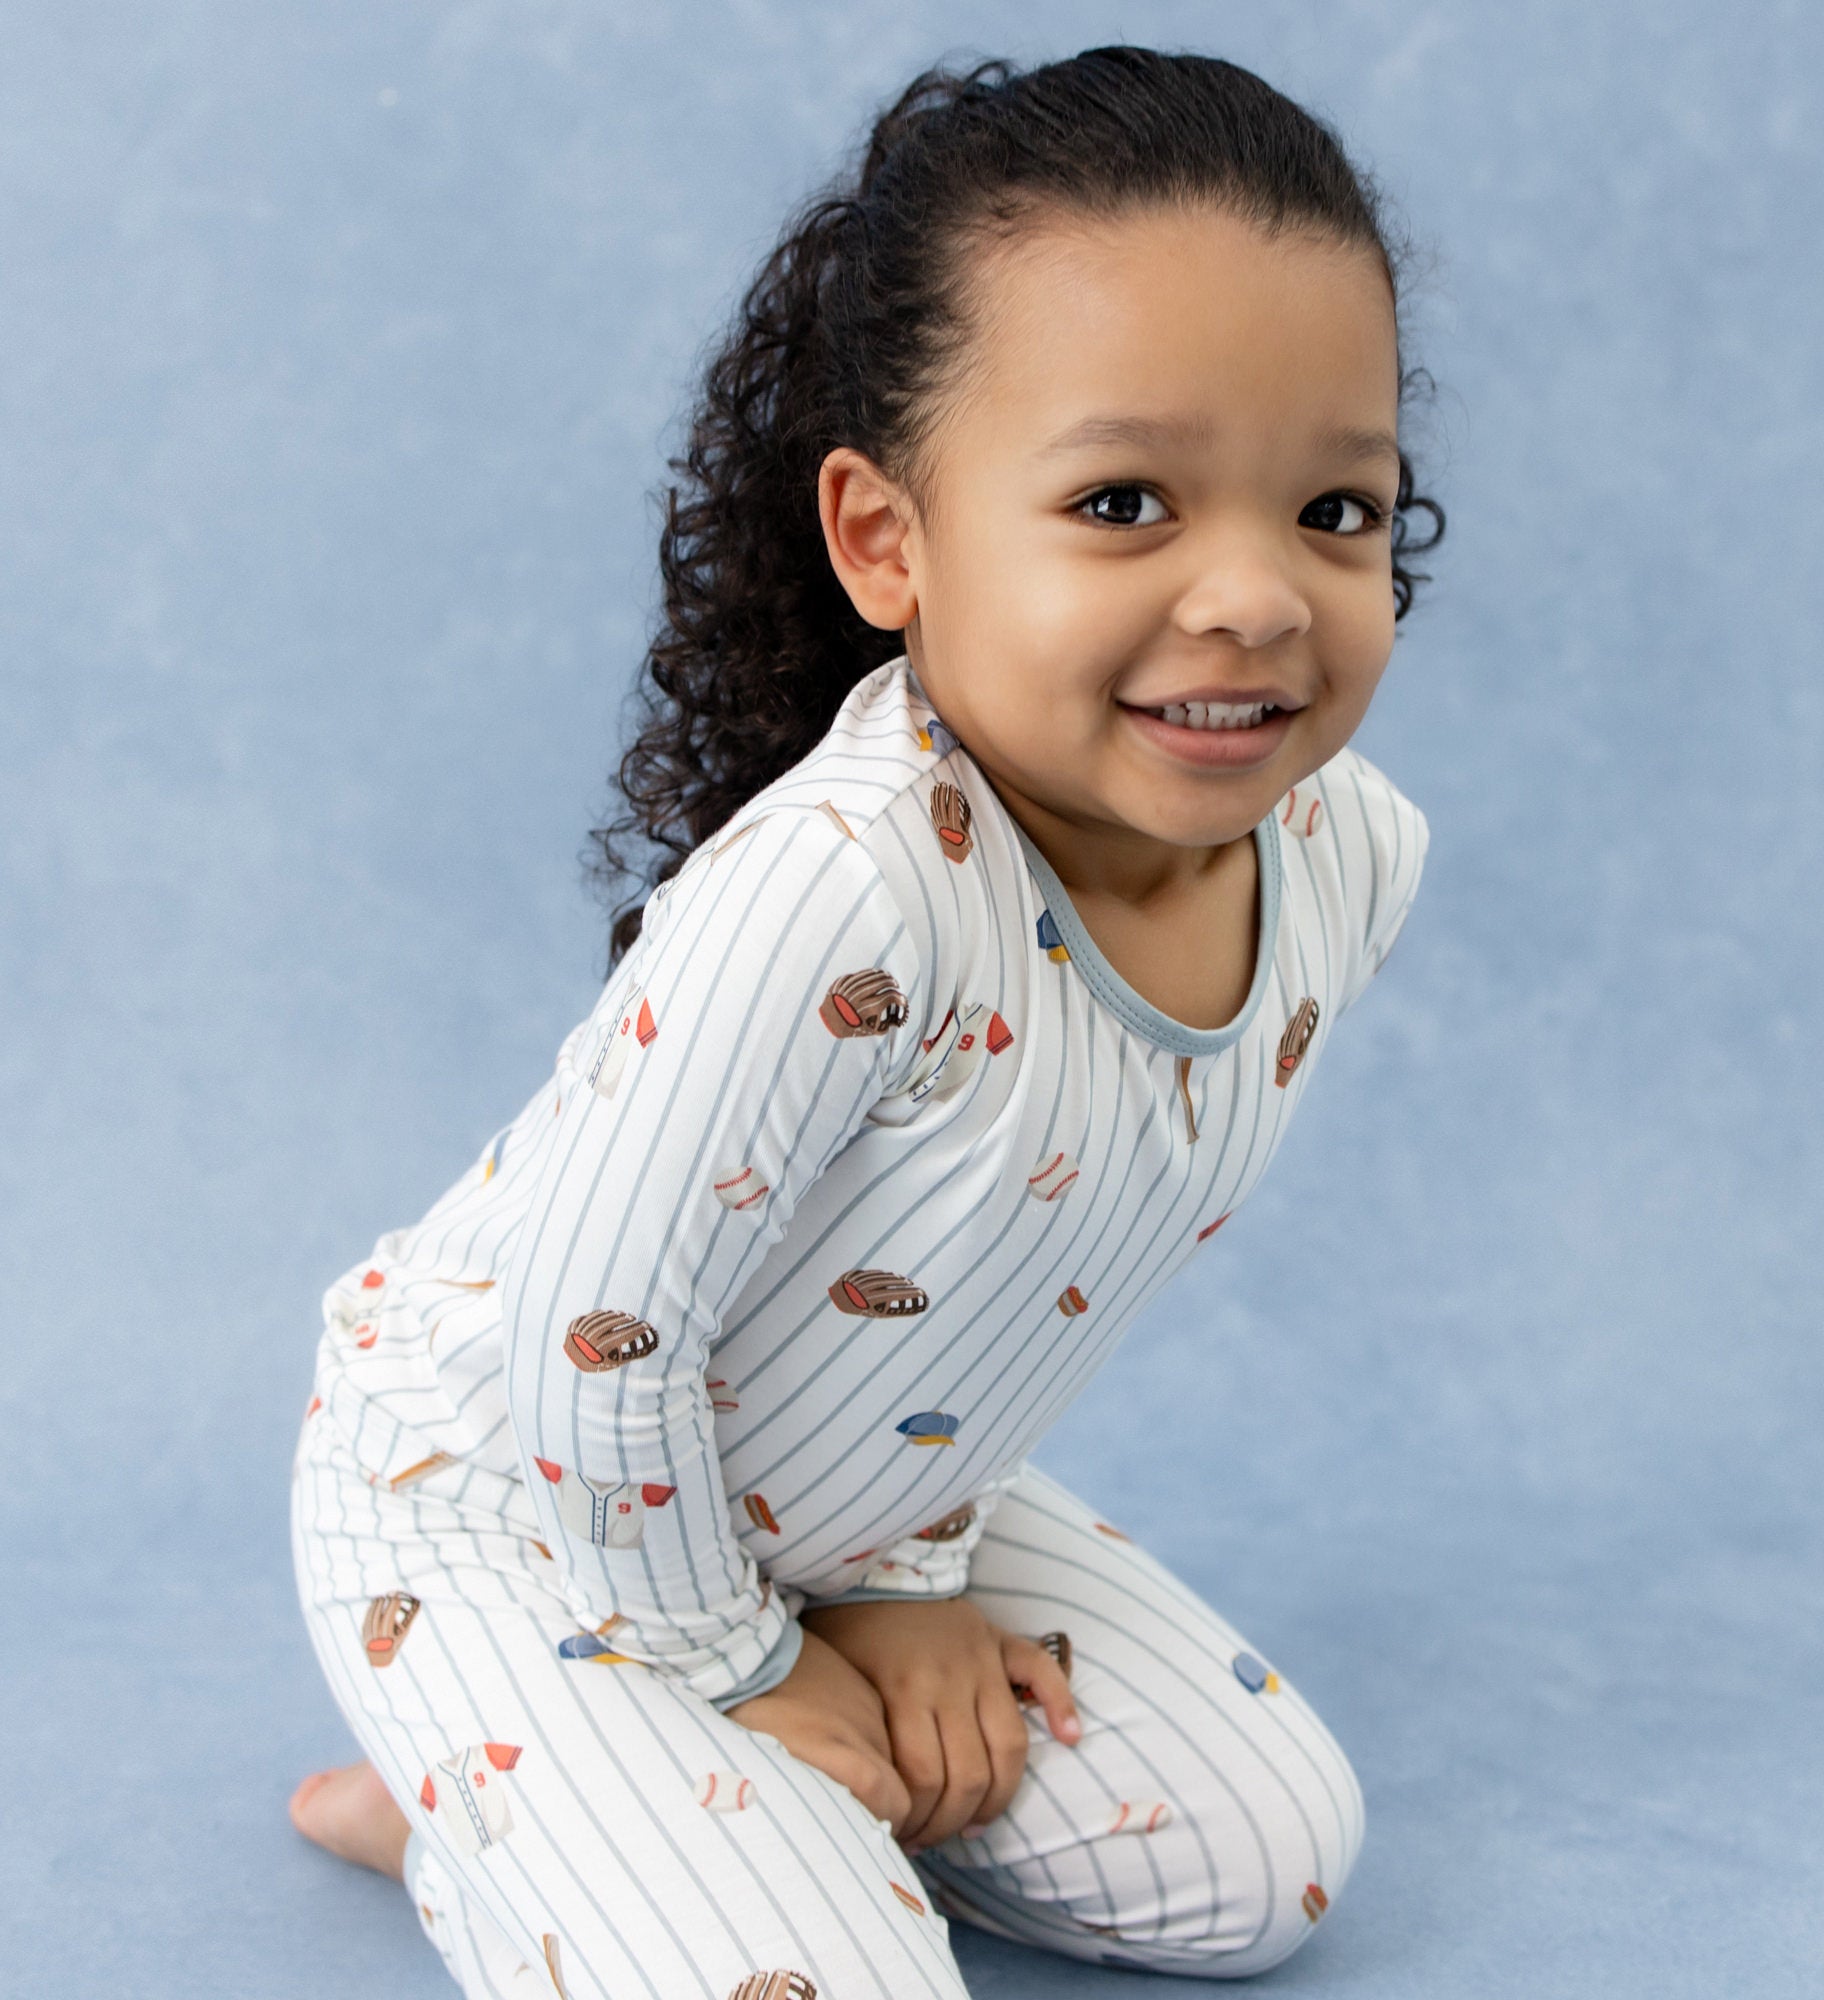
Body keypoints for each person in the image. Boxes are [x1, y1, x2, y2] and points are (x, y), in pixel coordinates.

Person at [287, 44, 1444, 2000]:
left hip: (839, 1490)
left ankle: (555, 1793)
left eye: (1335, 507)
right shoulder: (842, 895)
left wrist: (898, 1586)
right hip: (520, 1486)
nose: (1255, 595)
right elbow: (601, 1345)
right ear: (887, 541)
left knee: (1265, 1860)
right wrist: (750, 1666)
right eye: (1125, 499)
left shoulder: (1349, 857)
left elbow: (988, 1280)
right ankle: (526, 1772)